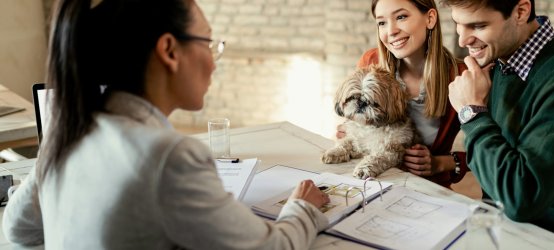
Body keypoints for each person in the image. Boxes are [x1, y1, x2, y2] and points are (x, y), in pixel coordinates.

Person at [2, 0, 330, 248]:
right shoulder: (169, 156)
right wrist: (301, 207)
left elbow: (17, 229)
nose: (214, 63)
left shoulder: (68, 131)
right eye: (208, 43)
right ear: (169, 50)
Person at [443, 0, 554, 248]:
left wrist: (471, 114)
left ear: (521, 12)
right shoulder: (499, 63)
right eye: (457, 25)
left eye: (478, 26)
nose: (463, 40)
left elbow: (520, 199)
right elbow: (495, 178)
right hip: (503, 227)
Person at [338, 0, 469, 188]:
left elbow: (491, 151)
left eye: (401, 17)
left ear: (430, 18)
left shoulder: (460, 76)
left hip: (426, 189)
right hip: (373, 183)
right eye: (382, 22)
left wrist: (439, 163)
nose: (391, 31)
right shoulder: (371, 61)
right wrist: (351, 129)